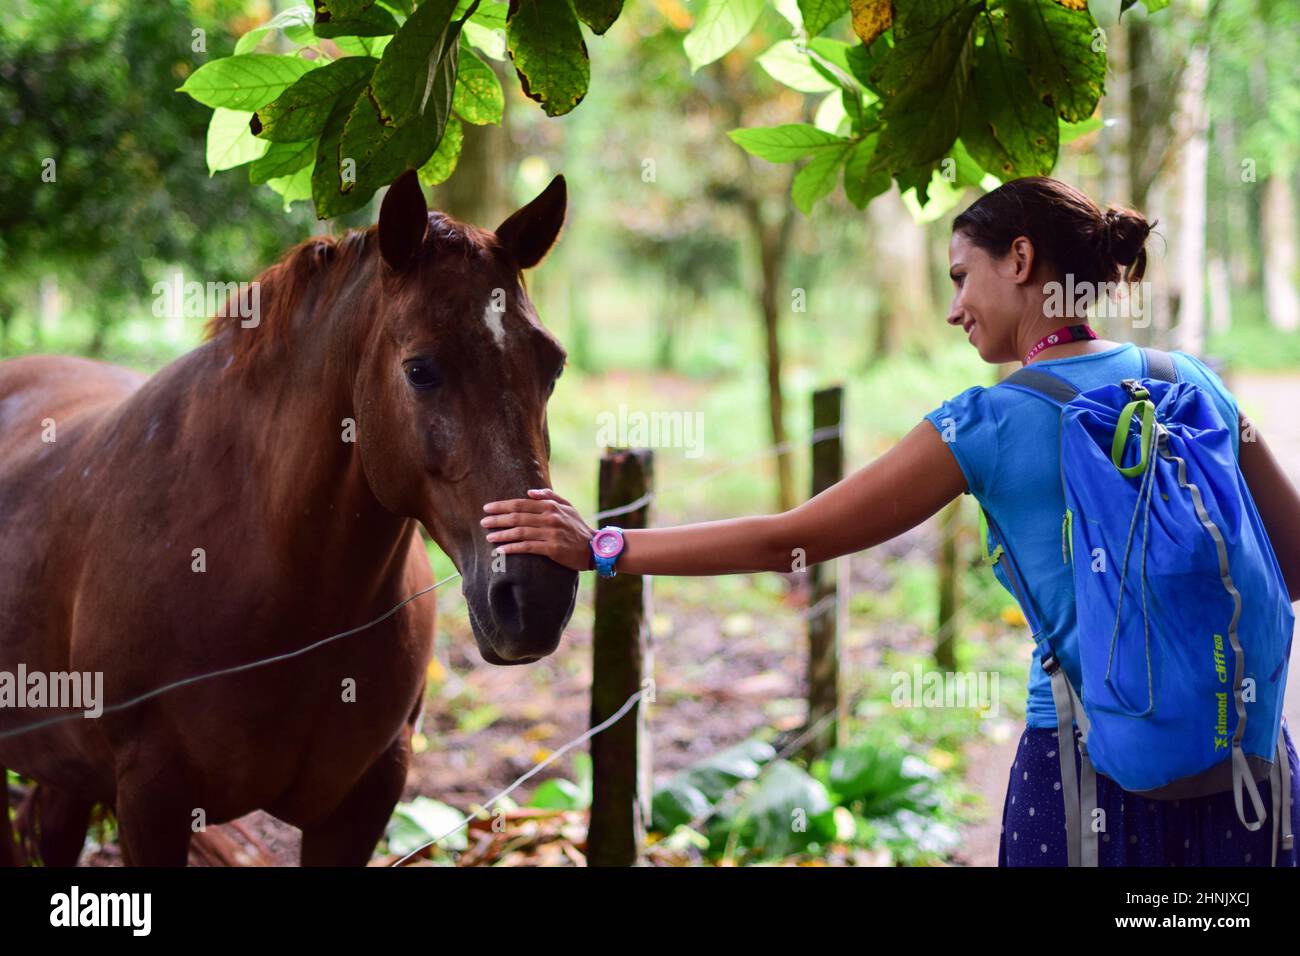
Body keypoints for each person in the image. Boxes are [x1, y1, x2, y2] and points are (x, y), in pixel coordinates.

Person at [480, 176, 1300, 866]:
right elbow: (1292, 565)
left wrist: (605, 547)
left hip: (1081, 780)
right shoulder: (1196, 381)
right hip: (1249, 771)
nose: (953, 310)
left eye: (958, 277)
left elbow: (789, 540)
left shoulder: (985, 424)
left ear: (1020, 259)